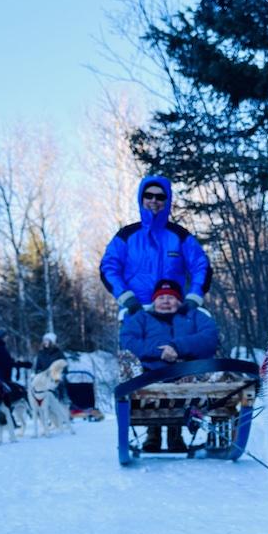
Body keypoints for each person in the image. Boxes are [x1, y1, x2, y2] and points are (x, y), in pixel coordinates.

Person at [120, 278, 219, 452]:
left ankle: (175, 435)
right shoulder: (141, 318)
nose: (166, 300)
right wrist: (160, 352)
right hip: (150, 373)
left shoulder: (194, 315)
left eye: (171, 297)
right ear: (154, 300)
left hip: (188, 373)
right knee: (143, 378)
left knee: (190, 380)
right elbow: (128, 341)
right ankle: (153, 435)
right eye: (161, 297)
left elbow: (210, 337)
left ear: (179, 300)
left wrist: (177, 347)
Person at [99, 176, 211, 316]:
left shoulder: (180, 236)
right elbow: (109, 267)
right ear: (141, 199)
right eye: (148, 195)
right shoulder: (126, 236)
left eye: (160, 197)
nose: (154, 200)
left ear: (167, 200)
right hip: (135, 313)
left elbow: (201, 266)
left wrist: (193, 297)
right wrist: (127, 298)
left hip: (174, 314)